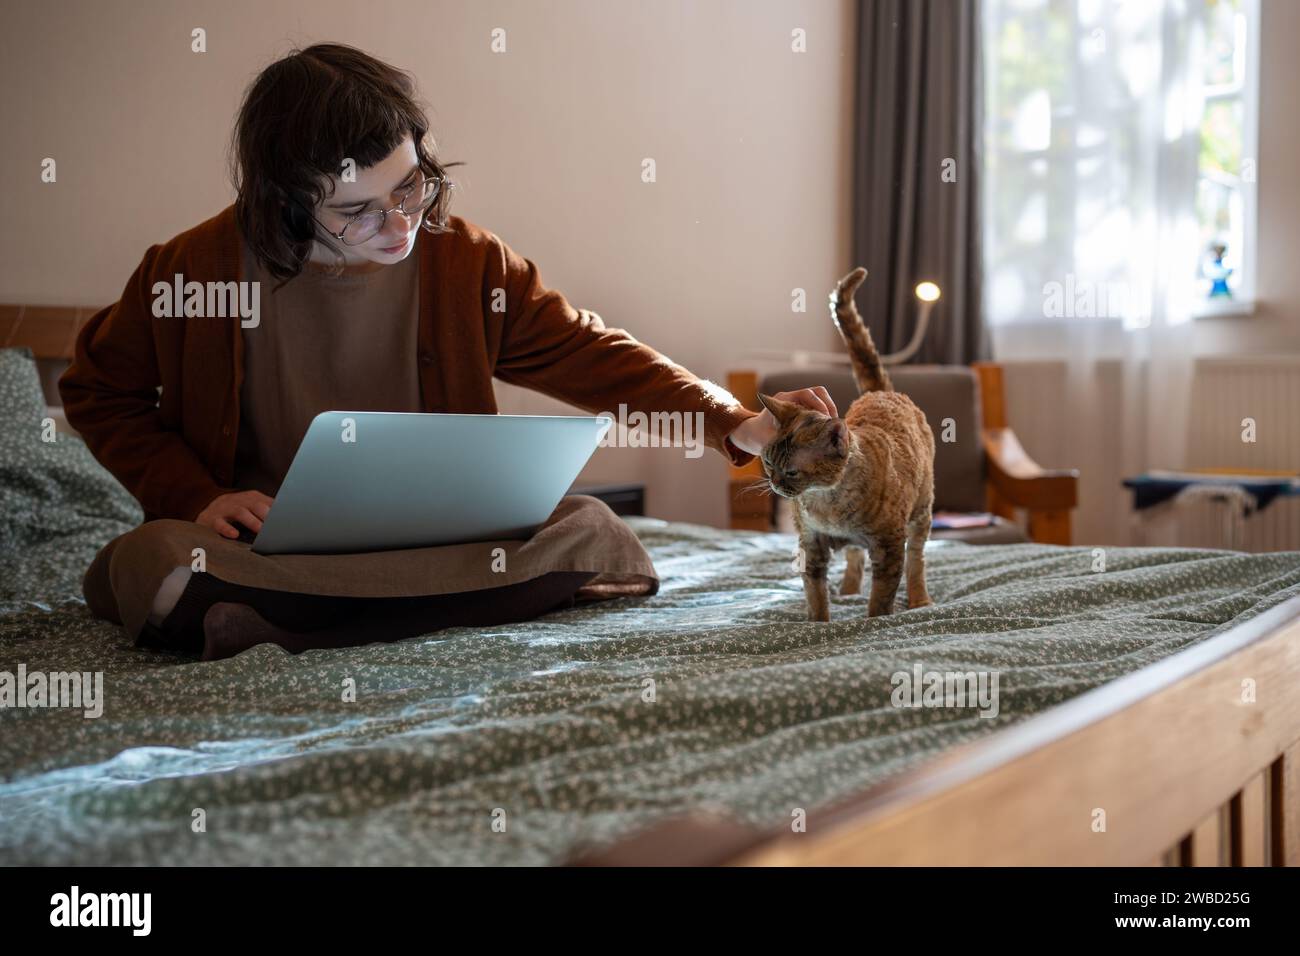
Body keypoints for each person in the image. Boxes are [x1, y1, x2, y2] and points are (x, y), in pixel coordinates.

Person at [59, 43, 837, 661]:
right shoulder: (190, 270)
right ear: (286, 203)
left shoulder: (464, 260)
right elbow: (98, 390)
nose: (399, 226)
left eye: (411, 188)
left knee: (598, 531)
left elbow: (587, 352)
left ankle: (286, 630)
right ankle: (329, 612)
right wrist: (196, 495)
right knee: (156, 561)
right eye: (358, 212)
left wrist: (733, 423)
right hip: (264, 552)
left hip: (445, 544)